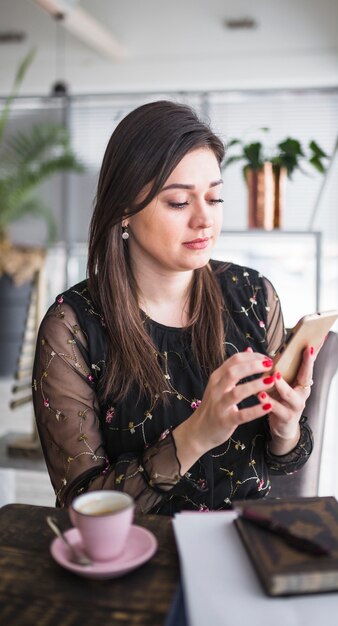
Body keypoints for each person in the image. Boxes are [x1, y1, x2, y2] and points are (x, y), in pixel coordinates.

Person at [32, 100, 316, 515]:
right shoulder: (72, 327)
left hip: (247, 549)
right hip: (138, 565)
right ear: (124, 209)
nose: (205, 220)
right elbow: (83, 508)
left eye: (215, 198)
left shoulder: (254, 296)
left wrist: (286, 427)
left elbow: (283, 463)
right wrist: (196, 434)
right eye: (179, 203)